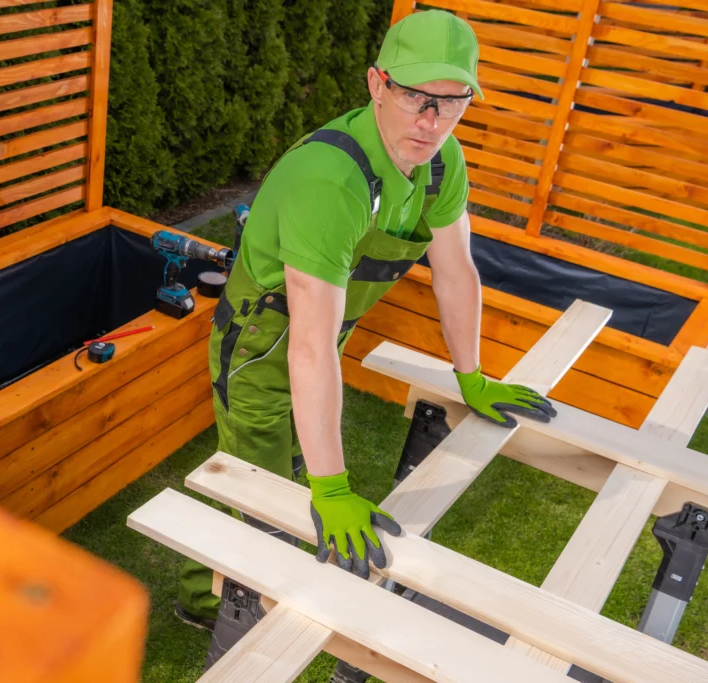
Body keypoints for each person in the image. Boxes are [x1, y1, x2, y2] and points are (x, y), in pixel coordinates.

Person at [175, 9, 557, 681]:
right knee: (264, 482)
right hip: (264, 342)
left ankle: (228, 555)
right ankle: (205, 598)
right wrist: (333, 486)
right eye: (417, 97)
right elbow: (309, 347)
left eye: (452, 102)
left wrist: (472, 375)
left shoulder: (442, 167)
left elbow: (457, 270)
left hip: (322, 332)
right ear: (377, 83)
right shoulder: (332, 181)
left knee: (280, 461)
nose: (431, 121)